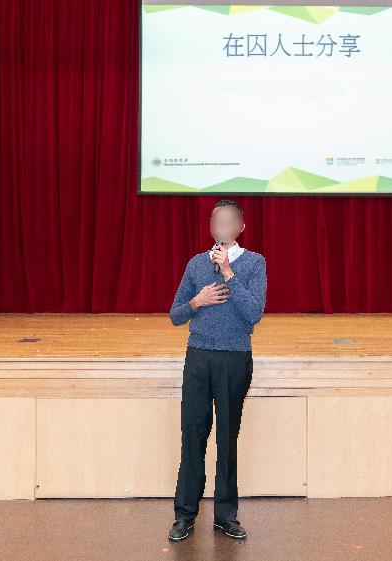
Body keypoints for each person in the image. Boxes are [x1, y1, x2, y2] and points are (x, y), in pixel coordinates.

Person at [167, 199, 267, 542]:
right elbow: (176, 314)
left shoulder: (254, 264)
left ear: (240, 226)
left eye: (228, 221)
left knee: (227, 438)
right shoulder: (196, 264)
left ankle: (226, 515)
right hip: (198, 357)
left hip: (234, 358)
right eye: (215, 221)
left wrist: (228, 274)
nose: (221, 226)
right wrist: (197, 301)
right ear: (211, 226)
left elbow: (253, 313)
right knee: (192, 436)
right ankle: (184, 514)